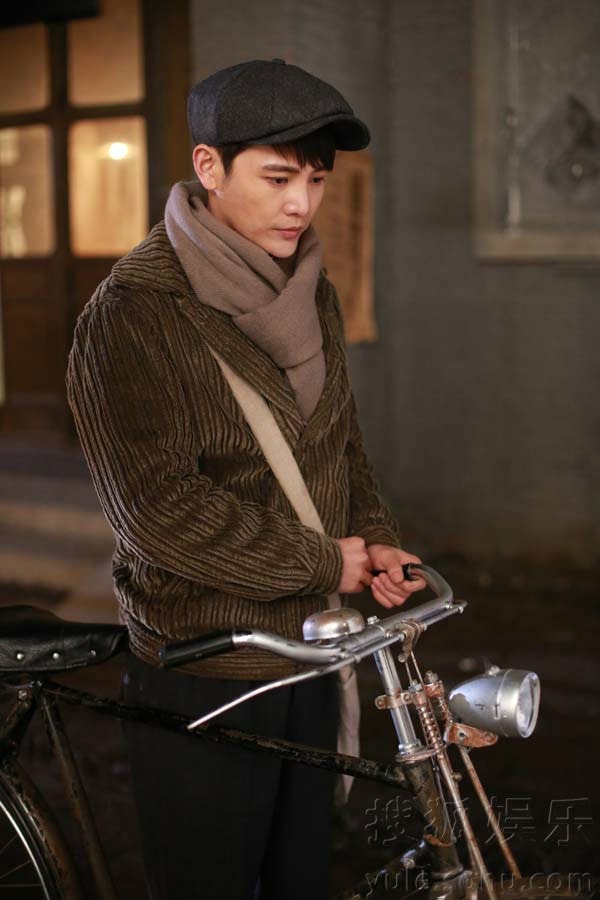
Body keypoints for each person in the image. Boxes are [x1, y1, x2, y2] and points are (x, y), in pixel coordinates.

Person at [66, 58, 426, 900]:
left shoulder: (310, 286)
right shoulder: (132, 314)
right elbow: (157, 510)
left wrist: (376, 541)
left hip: (313, 650)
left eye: (315, 181)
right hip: (210, 664)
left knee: (301, 877)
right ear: (209, 167)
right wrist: (323, 561)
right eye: (277, 178)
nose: (301, 204)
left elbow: (340, 442)